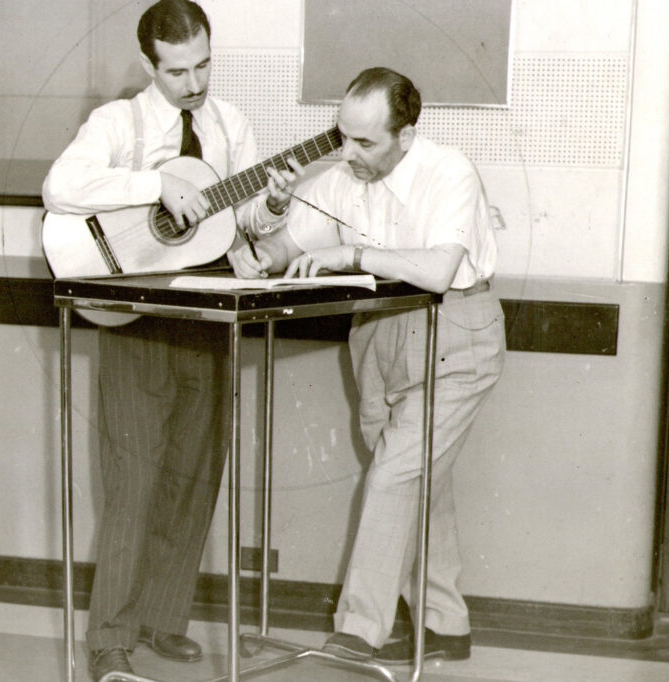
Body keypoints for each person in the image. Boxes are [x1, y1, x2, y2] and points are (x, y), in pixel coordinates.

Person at [41, 1, 299, 679]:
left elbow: (244, 220)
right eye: (178, 70)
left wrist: (271, 205)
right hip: (133, 316)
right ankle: (111, 641)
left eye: (204, 64)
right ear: (151, 65)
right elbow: (61, 187)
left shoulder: (230, 125)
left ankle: (161, 618)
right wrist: (158, 182)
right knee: (133, 481)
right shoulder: (118, 123)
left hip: (210, 318)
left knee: (193, 473)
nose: (195, 82)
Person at [228, 67, 505, 665]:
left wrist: (349, 252)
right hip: (377, 334)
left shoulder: (448, 171)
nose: (346, 152)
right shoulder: (341, 178)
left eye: (365, 142)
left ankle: (357, 636)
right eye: (342, 136)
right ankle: (444, 622)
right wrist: (267, 235)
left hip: (455, 330)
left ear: (406, 136)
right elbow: (283, 250)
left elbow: (435, 269)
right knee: (415, 476)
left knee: (394, 476)